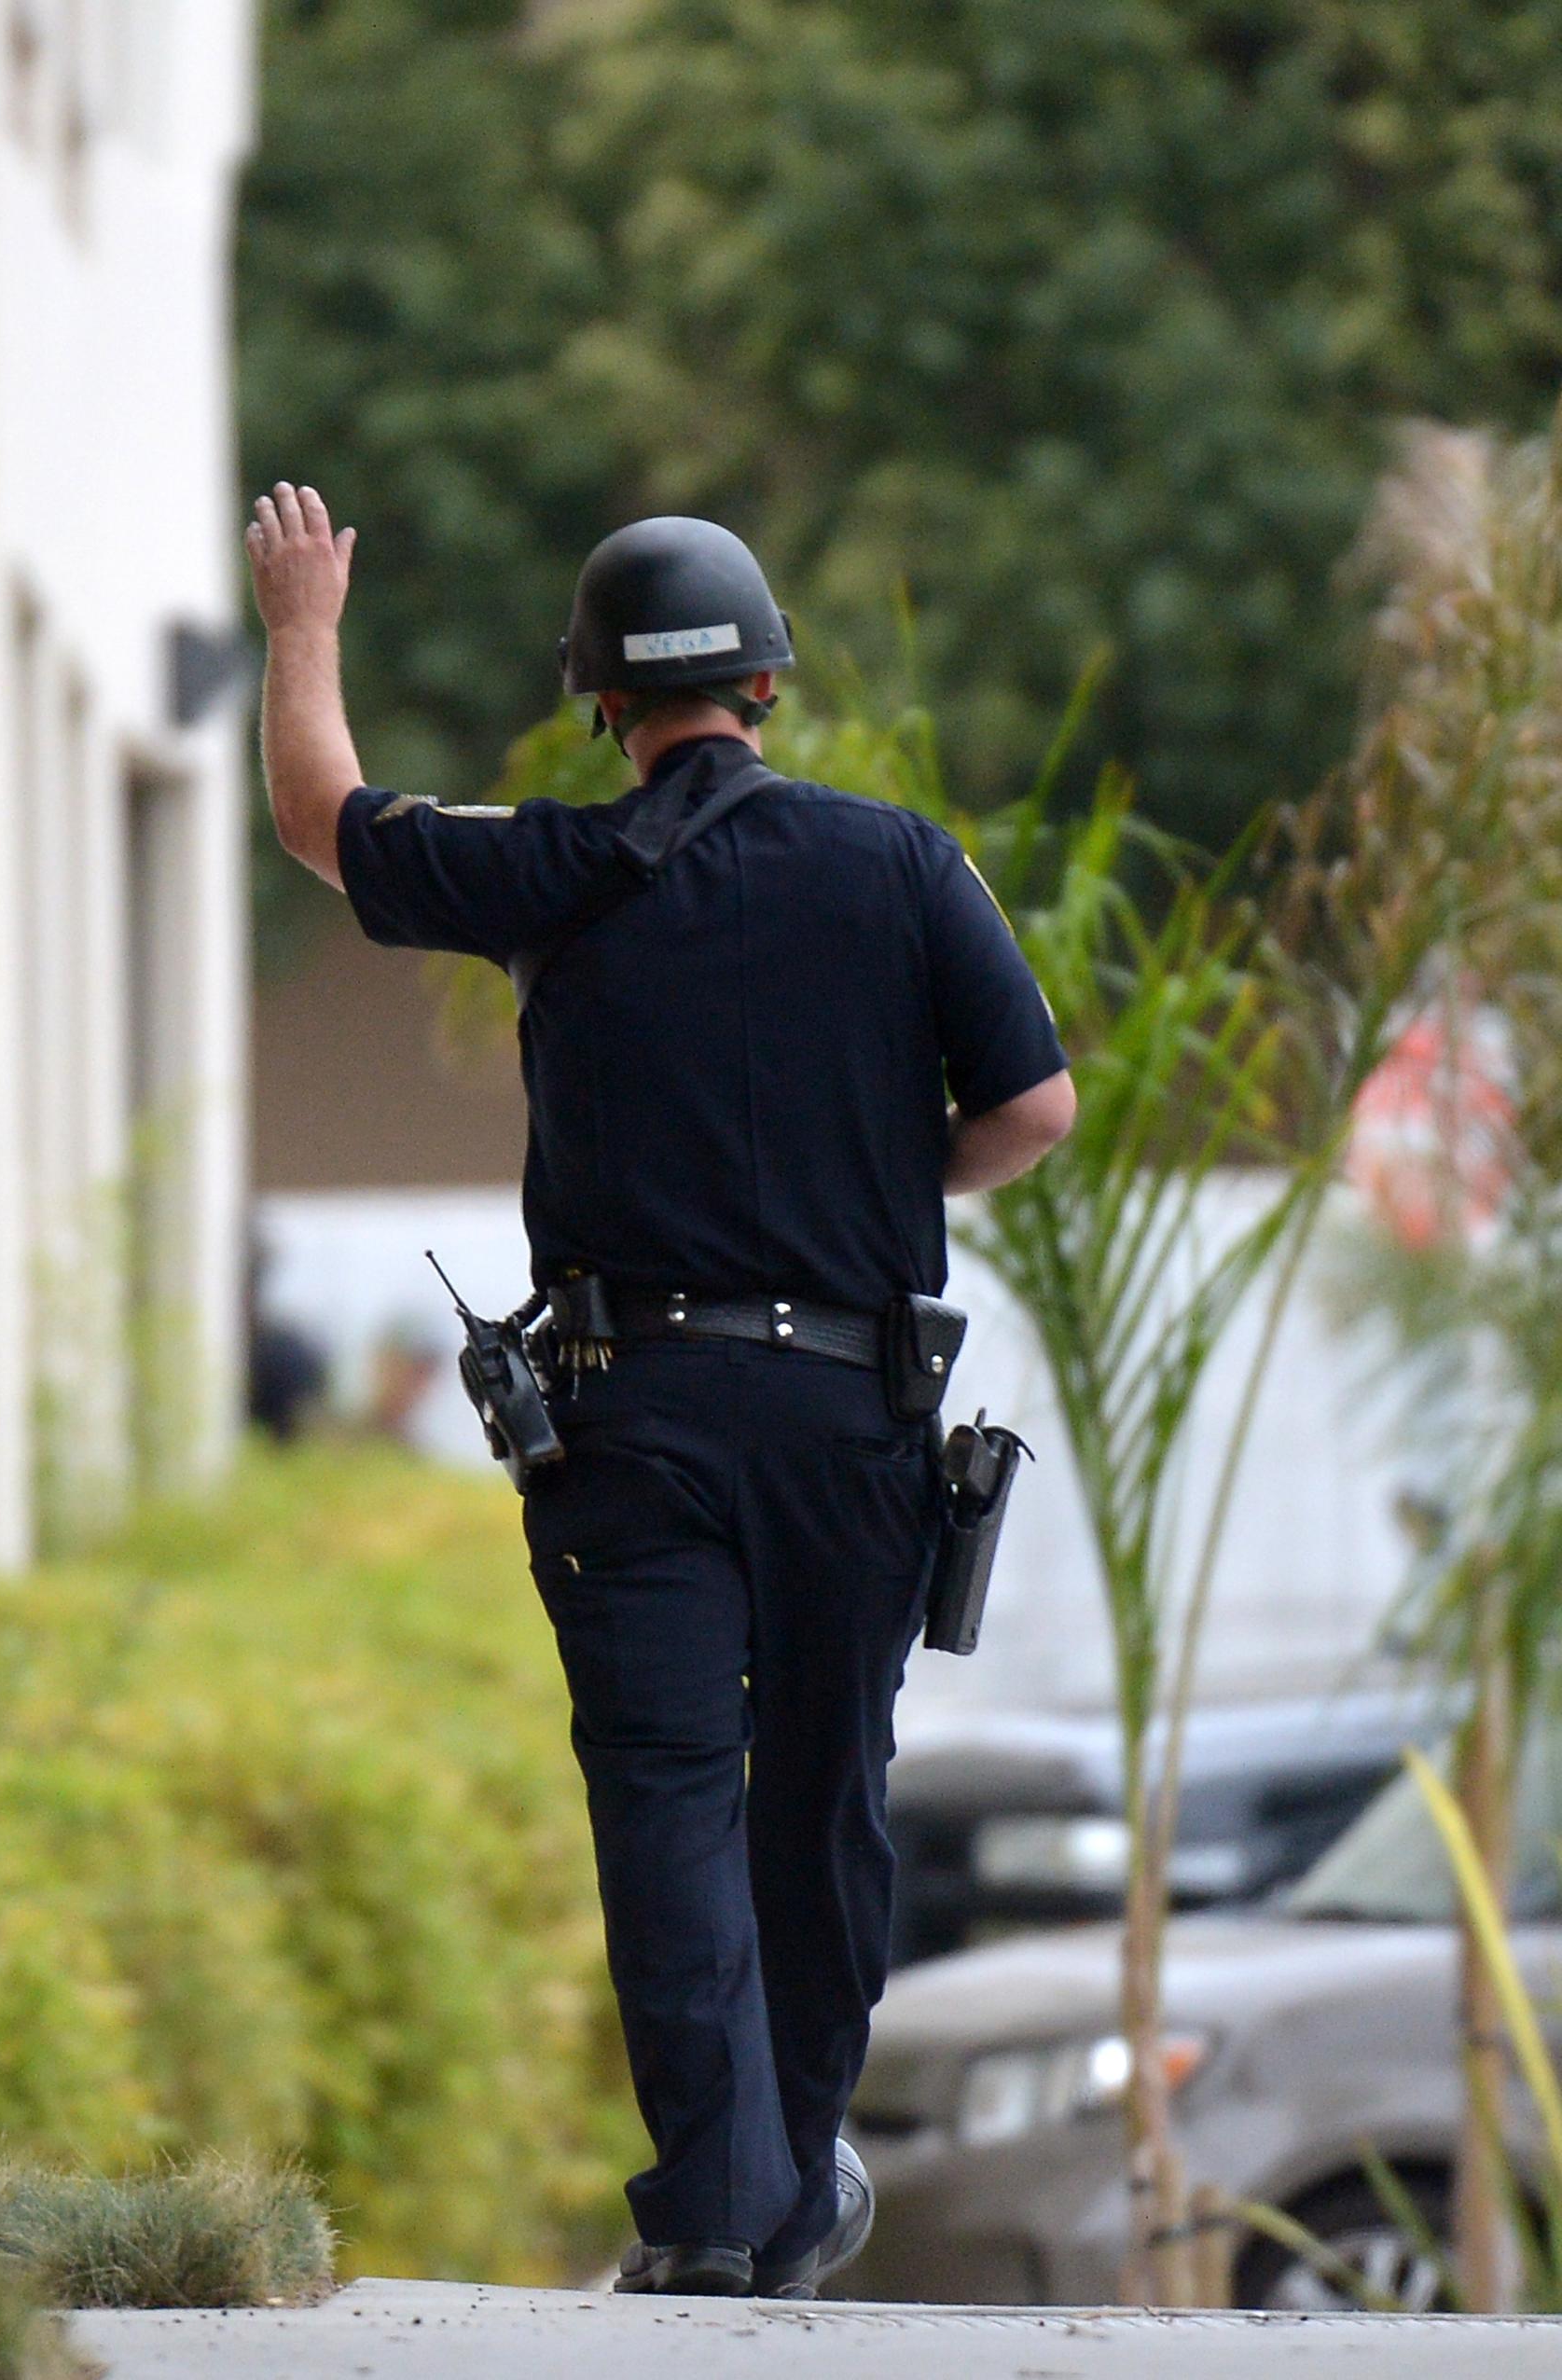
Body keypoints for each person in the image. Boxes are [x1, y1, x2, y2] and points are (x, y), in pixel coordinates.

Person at [245, 491, 1077, 2300]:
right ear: (767, 680)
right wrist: (874, 1175)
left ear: (603, 705)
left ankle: (722, 2199)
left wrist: (302, 617)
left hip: (641, 1416)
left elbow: (320, 817)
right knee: (827, 1790)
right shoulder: (908, 863)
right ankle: (795, 2178)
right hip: (855, 1418)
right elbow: (1034, 1110)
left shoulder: (558, 868)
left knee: (670, 1791)